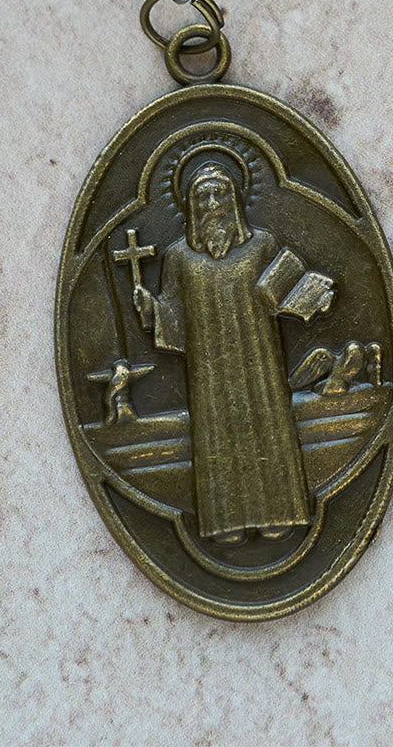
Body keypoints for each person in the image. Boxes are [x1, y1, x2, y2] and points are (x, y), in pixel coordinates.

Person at [134, 162, 311, 545]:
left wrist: (307, 297)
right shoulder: (179, 257)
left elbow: (287, 292)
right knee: (217, 436)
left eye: (220, 193)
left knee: (267, 428)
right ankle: (225, 522)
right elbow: (175, 322)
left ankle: (278, 512)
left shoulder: (263, 245)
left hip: (259, 364)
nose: (212, 203)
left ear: (235, 199)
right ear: (191, 207)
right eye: (203, 197)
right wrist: (152, 310)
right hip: (209, 372)